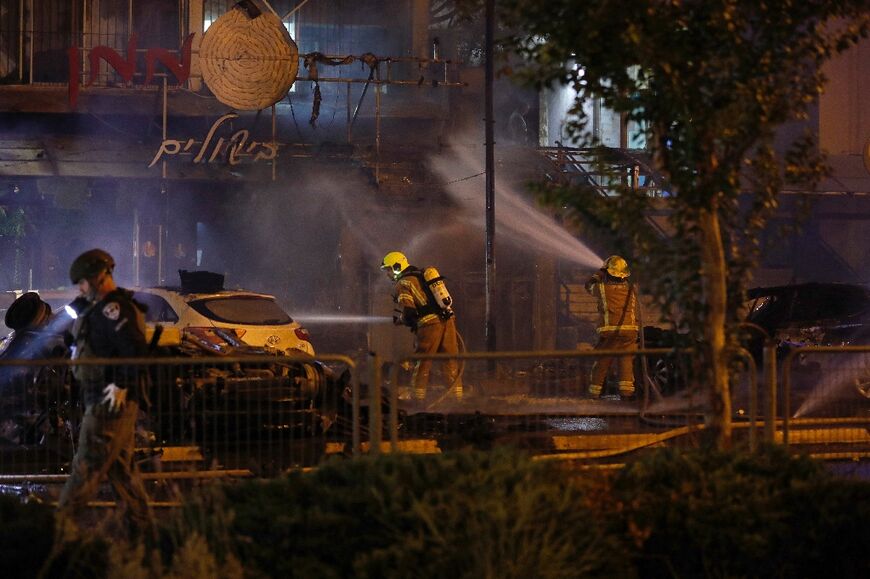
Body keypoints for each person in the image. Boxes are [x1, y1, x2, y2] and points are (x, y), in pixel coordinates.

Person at [57, 248, 153, 538]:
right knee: (122, 471)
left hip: (108, 402)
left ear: (100, 277)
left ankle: (55, 535)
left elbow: (134, 350)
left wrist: (121, 384)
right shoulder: (96, 308)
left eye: (84, 282)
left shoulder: (115, 308)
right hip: (102, 399)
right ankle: (144, 536)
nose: (81, 288)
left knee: (86, 467)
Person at [381, 251, 462, 402]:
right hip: (448, 320)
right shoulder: (420, 276)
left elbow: (409, 312)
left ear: (397, 267)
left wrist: (400, 320)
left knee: (421, 362)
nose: (388, 274)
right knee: (450, 361)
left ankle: (417, 400)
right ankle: (456, 400)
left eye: (388, 270)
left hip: (429, 324)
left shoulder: (402, 283)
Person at [585, 255, 638, 400]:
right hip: (630, 331)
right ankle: (626, 395)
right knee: (626, 361)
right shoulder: (632, 289)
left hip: (611, 332)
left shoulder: (602, 289)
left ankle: (594, 393)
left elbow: (588, 285)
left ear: (608, 273)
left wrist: (599, 273)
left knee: (602, 360)